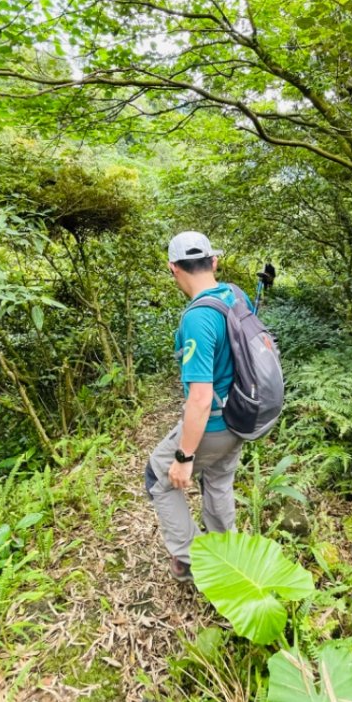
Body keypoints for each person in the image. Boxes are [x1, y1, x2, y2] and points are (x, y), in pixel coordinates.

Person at [144, 231, 243, 582]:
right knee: (217, 481)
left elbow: (199, 398)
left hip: (214, 423)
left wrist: (184, 457)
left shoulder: (198, 318)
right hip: (240, 419)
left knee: (158, 473)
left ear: (173, 269)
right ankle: (226, 553)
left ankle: (195, 564)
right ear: (214, 261)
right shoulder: (234, 295)